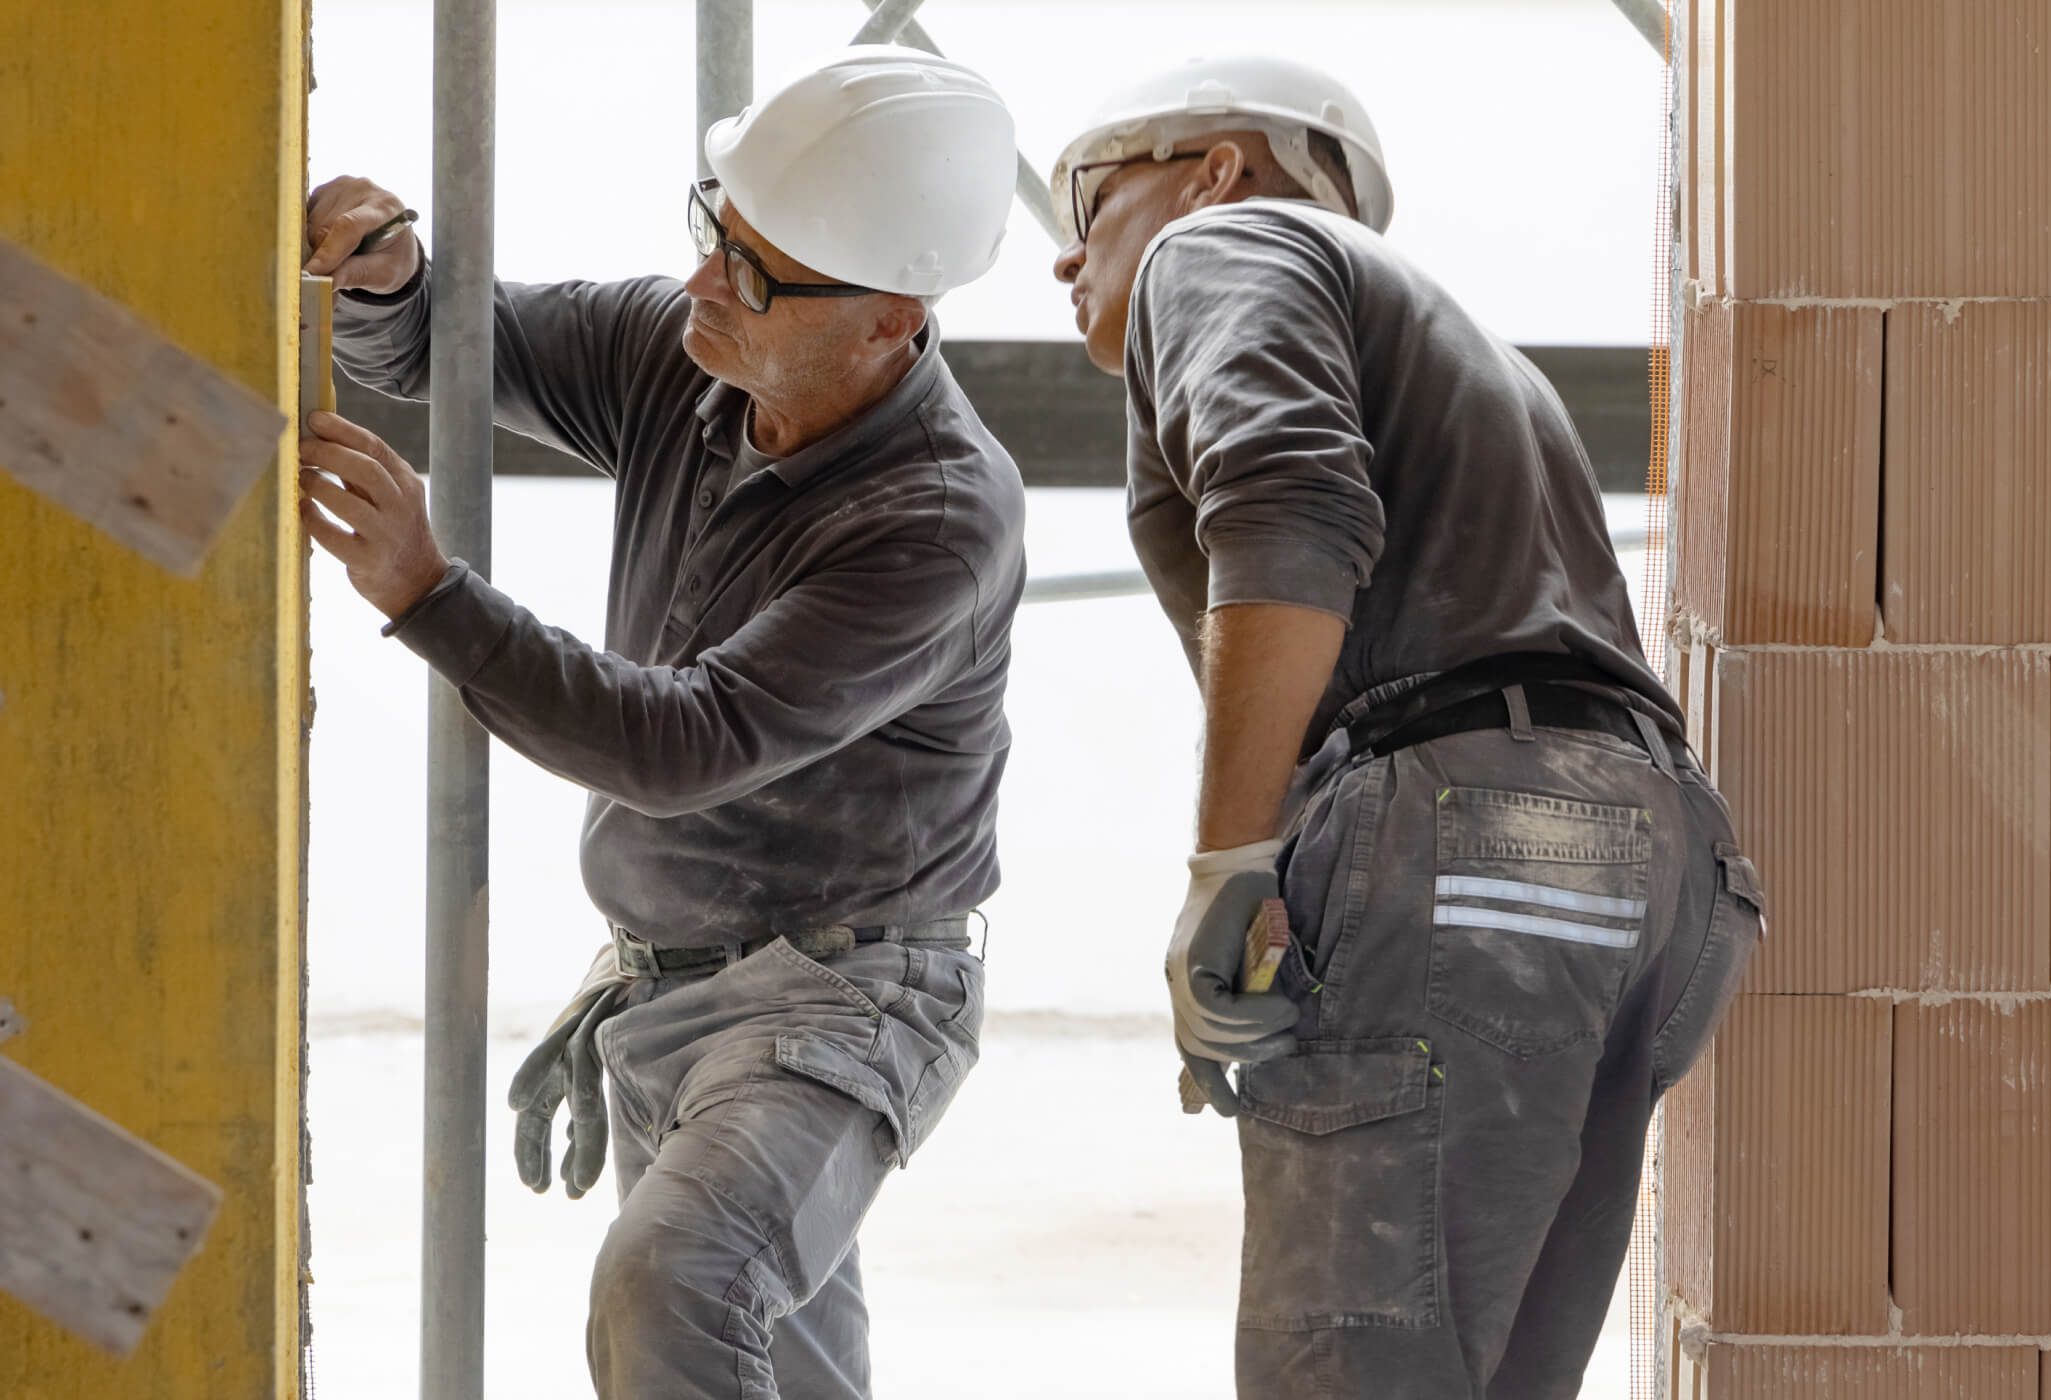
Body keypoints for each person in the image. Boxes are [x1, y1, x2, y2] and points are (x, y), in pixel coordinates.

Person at [299, 46, 1024, 1400]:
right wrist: (391, 279)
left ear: (888, 320)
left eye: (755, 273)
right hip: (674, 983)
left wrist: (427, 590)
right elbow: (467, 341)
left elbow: (680, 747)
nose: (705, 284)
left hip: (842, 997)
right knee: (746, 1344)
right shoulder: (687, 357)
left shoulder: (934, 516)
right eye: (717, 234)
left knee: (679, 1280)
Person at [1049, 56, 1764, 1400]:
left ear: (1218, 167)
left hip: (1474, 840)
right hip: (1652, 862)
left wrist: (1230, 874)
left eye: (1089, 191)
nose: (1062, 249)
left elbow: (1290, 517)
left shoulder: (1222, 245)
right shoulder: (1461, 354)